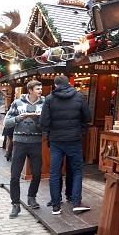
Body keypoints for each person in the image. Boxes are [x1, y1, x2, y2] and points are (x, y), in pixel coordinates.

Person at [40, 75, 91, 215]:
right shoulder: (79, 97)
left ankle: (56, 206)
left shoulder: (49, 99)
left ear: (56, 85)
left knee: (55, 173)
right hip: (74, 139)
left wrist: (51, 130)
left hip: (56, 140)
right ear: (69, 83)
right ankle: (76, 202)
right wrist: (79, 129)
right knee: (77, 171)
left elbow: (43, 122)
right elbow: (88, 117)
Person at [3, 80, 45, 218]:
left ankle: (31, 197)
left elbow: (47, 125)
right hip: (19, 143)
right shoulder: (17, 103)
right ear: (30, 90)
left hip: (36, 143)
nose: (40, 91)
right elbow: (6, 123)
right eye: (38, 88)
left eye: (41, 88)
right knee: (15, 175)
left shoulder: (44, 104)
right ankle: (15, 204)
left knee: (37, 173)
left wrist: (39, 121)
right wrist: (18, 118)